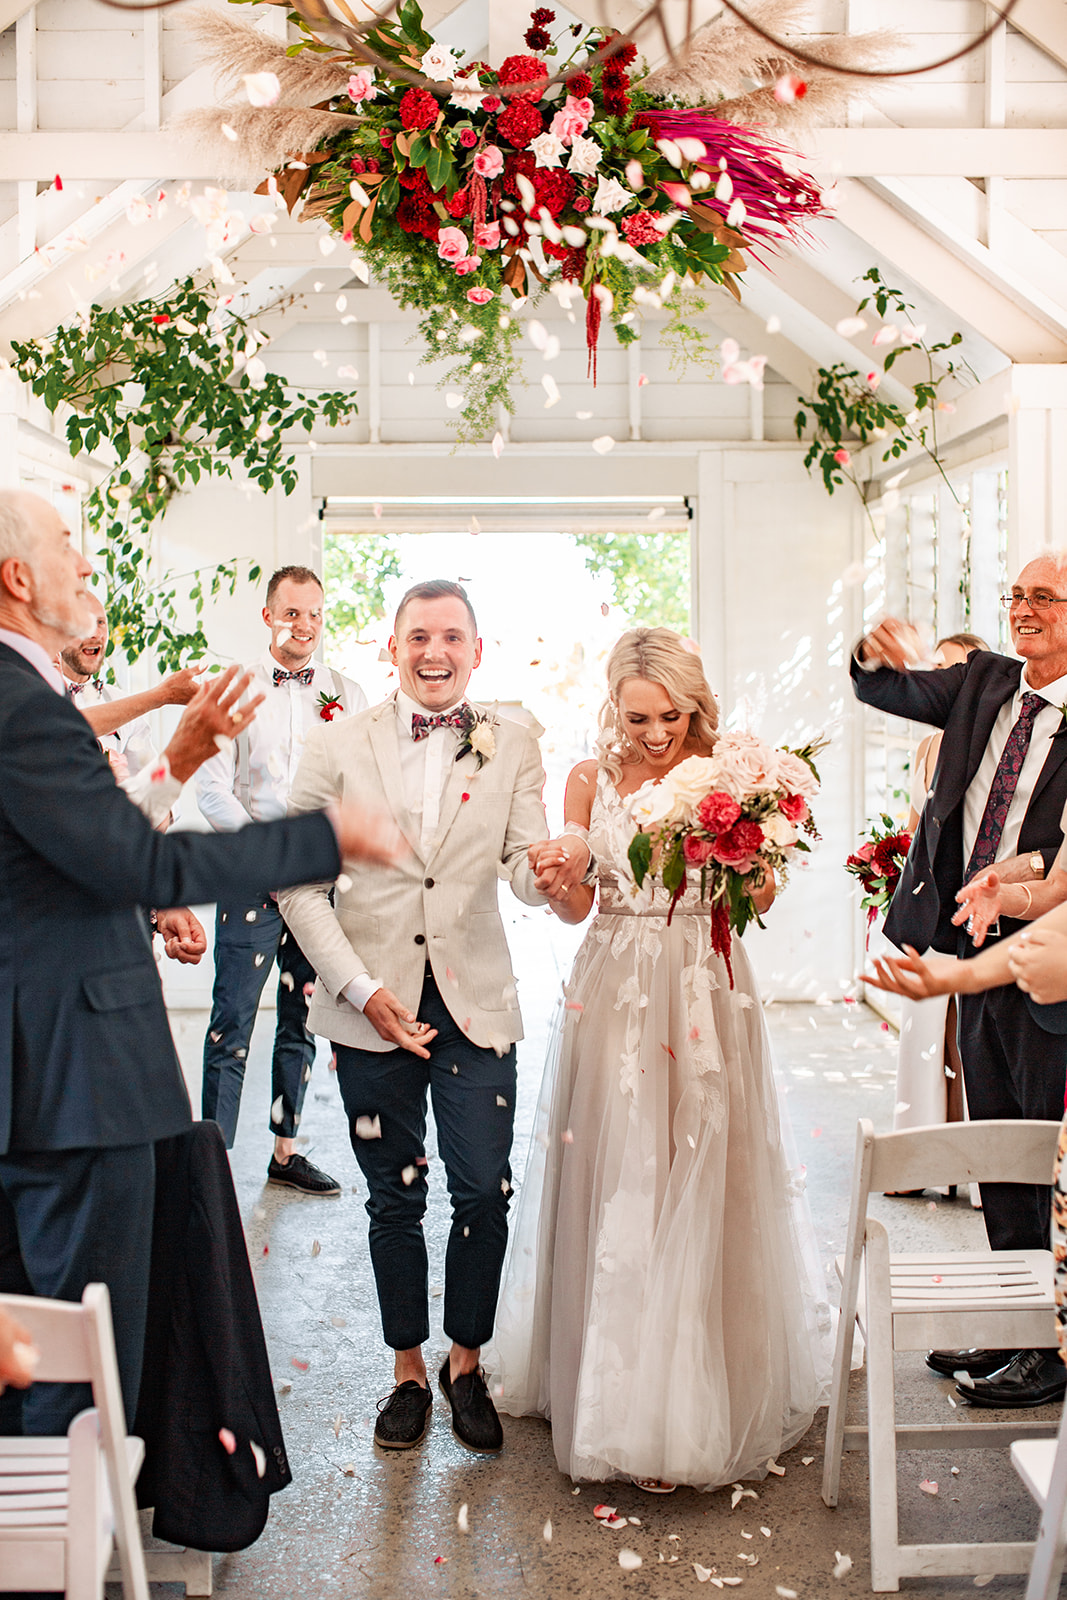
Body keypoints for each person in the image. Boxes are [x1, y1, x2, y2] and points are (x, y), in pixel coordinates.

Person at [0, 489, 403, 1437]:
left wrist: (174, 754)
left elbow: (86, 852)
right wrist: (322, 839)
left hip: (55, 1061)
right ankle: (66, 1558)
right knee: (81, 1341)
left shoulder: (28, 692)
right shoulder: (19, 699)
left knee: (55, 1327)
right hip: (68, 1074)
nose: (87, 568)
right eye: (70, 549)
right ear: (18, 579)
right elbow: (134, 861)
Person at [486, 627, 833, 1492]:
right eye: (636, 716)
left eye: (669, 716)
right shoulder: (585, 779)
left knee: (703, 1166)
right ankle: (615, 1393)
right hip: (613, 983)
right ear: (614, 704)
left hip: (705, 981)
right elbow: (571, 909)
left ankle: (692, 1395)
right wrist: (561, 877)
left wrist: (749, 848)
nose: (652, 734)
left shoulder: (731, 775)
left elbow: (758, 897)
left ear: (693, 705)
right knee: (621, 1172)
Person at [279, 579, 588, 1457]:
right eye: (418, 636)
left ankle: (466, 1362)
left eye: (452, 636)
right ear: (392, 646)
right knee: (392, 1198)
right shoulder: (335, 745)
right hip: (367, 1009)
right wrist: (358, 989)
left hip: (473, 1008)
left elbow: (528, 872)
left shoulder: (512, 742)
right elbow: (297, 884)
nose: (434, 652)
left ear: (477, 651)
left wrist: (569, 861)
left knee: (481, 1190)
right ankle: (408, 1371)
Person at [852, 555, 1067, 1408]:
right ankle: (1016, 1327)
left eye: (1042, 599)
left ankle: (1050, 1343)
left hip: (1051, 954)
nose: (1022, 612)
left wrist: (1017, 887)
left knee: (1043, 1149)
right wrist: (876, 655)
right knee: (996, 1142)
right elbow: (888, 692)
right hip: (971, 945)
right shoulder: (982, 682)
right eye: (1015, 597)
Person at [196, 565, 367, 1194]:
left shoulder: (347, 693)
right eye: (293, 613)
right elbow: (212, 791)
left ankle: (285, 1151)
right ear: (269, 616)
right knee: (231, 1021)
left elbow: (360, 785)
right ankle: (209, 1171)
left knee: (301, 1019)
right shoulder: (234, 690)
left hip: (318, 888)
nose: (306, 626)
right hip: (251, 880)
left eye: (316, 614)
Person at [889, 635, 989, 1182]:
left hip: (980, 911)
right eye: (936, 672)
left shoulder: (999, 741)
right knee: (922, 1026)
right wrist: (890, 878)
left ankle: (979, 1170)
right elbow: (913, 831)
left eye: (955, 671)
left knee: (975, 1034)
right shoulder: (926, 749)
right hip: (927, 914)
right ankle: (917, 1160)